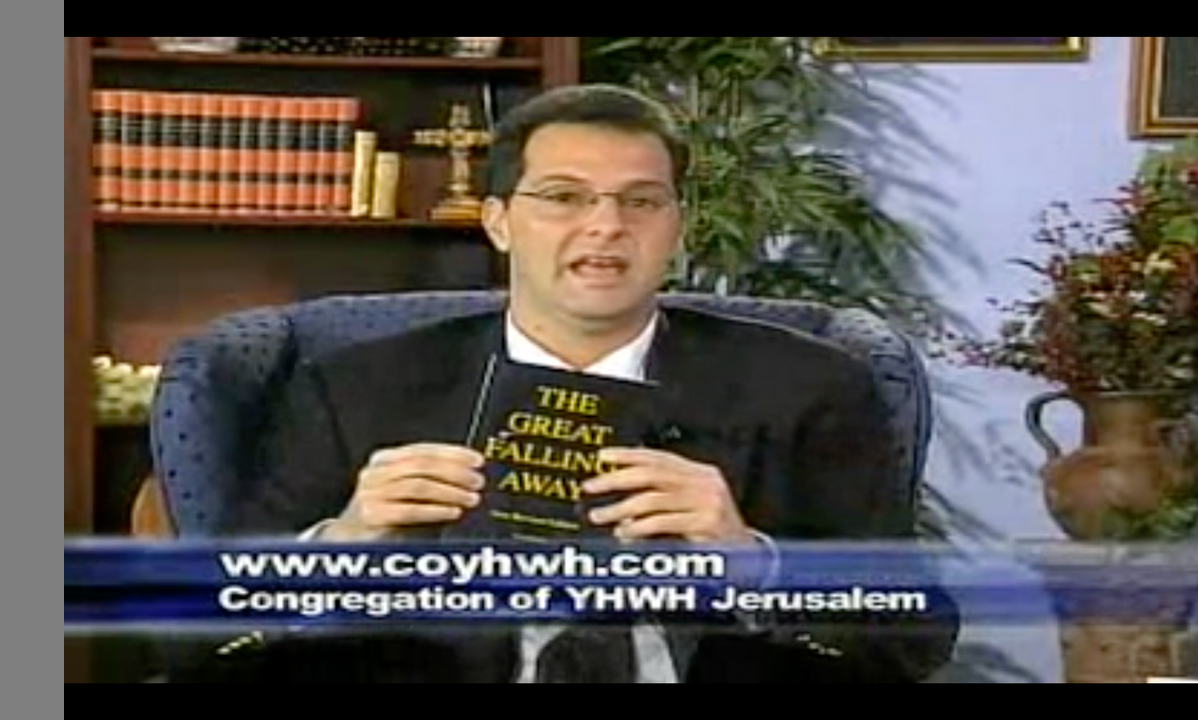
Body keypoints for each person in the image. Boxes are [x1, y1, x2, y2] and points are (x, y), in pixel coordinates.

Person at [182, 83, 959, 683]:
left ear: (676, 227)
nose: (606, 225)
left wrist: (756, 566)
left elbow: (915, 638)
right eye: (563, 197)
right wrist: (339, 550)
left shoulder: (813, 384)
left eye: (641, 201)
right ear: (497, 221)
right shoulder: (354, 388)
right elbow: (198, 636)